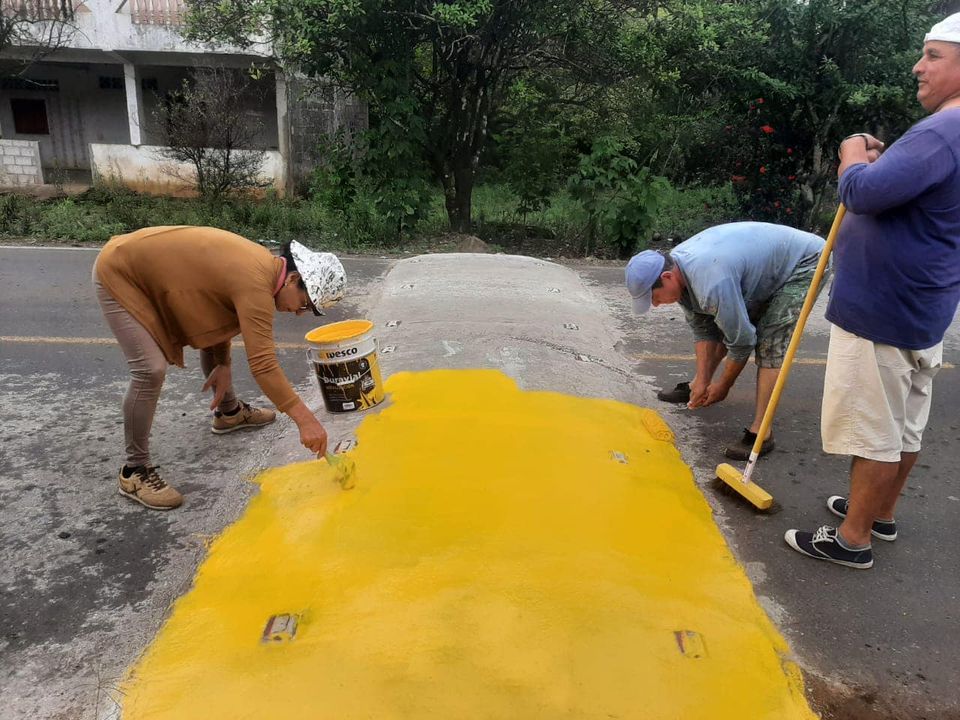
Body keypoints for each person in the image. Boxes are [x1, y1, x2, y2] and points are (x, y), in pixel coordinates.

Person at [784, 13, 960, 569]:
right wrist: (877, 170)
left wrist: (851, 151)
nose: (918, 67)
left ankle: (852, 539)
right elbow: (906, 194)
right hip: (921, 305)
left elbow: (860, 193)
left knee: (874, 430)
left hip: (883, 310)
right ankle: (878, 513)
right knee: (903, 425)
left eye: (933, 56)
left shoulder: (942, 132)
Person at [93, 226, 346, 511]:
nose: (299, 313)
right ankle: (135, 470)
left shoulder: (263, 269)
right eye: (305, 303)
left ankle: (229, 413)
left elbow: (217, 310)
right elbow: (263, 364)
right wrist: (306, 421)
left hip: (141, 267)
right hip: (121, 273)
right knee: (149, 370)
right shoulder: (256, 282)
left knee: (211, 357)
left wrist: (223, 363)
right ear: (293, 279)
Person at [625, 222, 828, 459]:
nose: (656, 305)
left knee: (769, 341)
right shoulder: (676, 270)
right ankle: (696, 387)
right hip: (756, 263)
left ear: (667, 276)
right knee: (722, 320)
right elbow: (703, 328)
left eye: (655, 298)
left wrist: (724, 386)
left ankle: (762, 431)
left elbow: (742, 341)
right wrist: (703, 380)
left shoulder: (712, 282)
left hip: (804, 262)